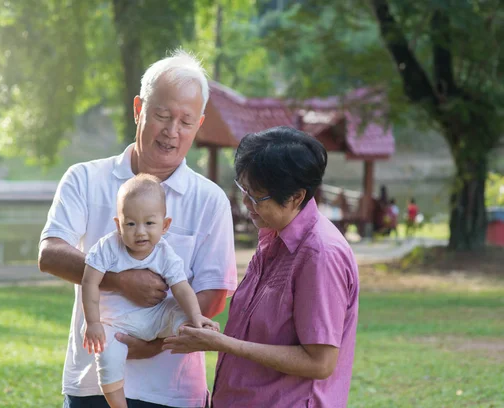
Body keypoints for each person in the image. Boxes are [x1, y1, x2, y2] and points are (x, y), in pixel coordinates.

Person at [38, 49, 237, 408]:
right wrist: (117, 279)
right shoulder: (85, 178)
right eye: (161, 115)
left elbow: (214, 293)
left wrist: (154, 346)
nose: (172, 132)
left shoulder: (209, 200)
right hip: (92, 384)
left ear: (199, 124)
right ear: (137, 109)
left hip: (173, 391)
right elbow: (50, 254)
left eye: (186, 122)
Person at [163, 126, 359, 408]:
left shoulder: (320, 254)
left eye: (257, 197)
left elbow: (320, 362)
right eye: (244, 189)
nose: (246, 203)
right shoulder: (273, 235)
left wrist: (223, 344)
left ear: (296, 197)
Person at [82, 174, 219, 408]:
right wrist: (93, 323)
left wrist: (195, 317)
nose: (140, 232)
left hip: (155, 319)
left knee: (179, 310)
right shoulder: (107, 247)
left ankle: (198, 329)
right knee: (107, 356)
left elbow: (181, 288)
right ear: (118, 224)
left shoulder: (165, 253)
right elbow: (89, 283)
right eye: (131, 223)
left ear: (165, 225)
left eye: (149, 223)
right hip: (115, 323)